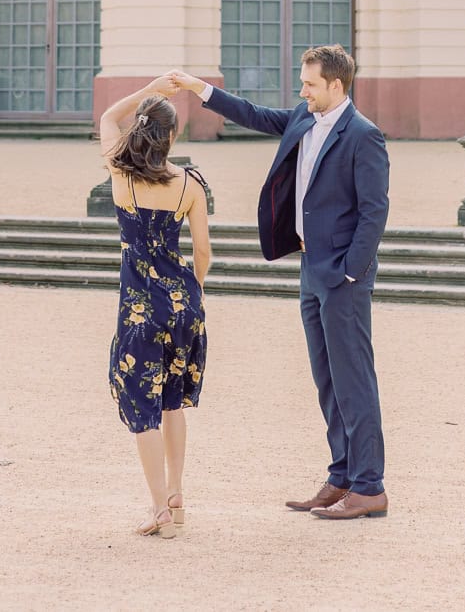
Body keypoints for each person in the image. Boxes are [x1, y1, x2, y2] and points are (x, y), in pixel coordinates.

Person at [169, 45, 389, 520]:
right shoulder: (303, 118)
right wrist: (197, 87)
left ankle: (370, 487)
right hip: (310, 268)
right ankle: (342, 476)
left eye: (309, 83)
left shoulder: (364, 136)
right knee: (327, 380)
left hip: (342, 276)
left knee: (354, 380)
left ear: (336, 85)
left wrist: (351, 269)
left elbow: (375, 211)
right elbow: (251, 113)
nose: (302, 90)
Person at [100, 77, 211, 538]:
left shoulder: (120, 175)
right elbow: (203, 252)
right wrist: (192, 292)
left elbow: (108, 117)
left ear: (139, 132)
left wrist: (151, 90)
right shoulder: (190, 185)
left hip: (140, 310)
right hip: (183, 306)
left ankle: (159, 509)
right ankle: (178, 494)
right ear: (170, 138)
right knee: (171, 404)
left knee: (141, 408)